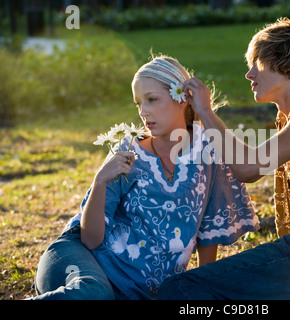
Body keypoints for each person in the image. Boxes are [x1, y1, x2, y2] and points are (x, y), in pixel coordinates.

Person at [158, 18, 290, 300]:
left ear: (288, 63)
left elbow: (248, 168)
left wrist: (207, 112)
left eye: (256, 63)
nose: (248, 75)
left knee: (179, 289)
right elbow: (247, 158)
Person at [30, 55, 259, 300]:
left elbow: (209, 228)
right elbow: (90, 240)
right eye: (139, 103)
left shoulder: (209, 149)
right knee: (95, 293)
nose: (143, 112)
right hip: (79, 262)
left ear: (182, 99)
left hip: (135, 293)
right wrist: (99, 182)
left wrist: (200, 288)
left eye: (151, 100)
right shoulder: (128, 154)